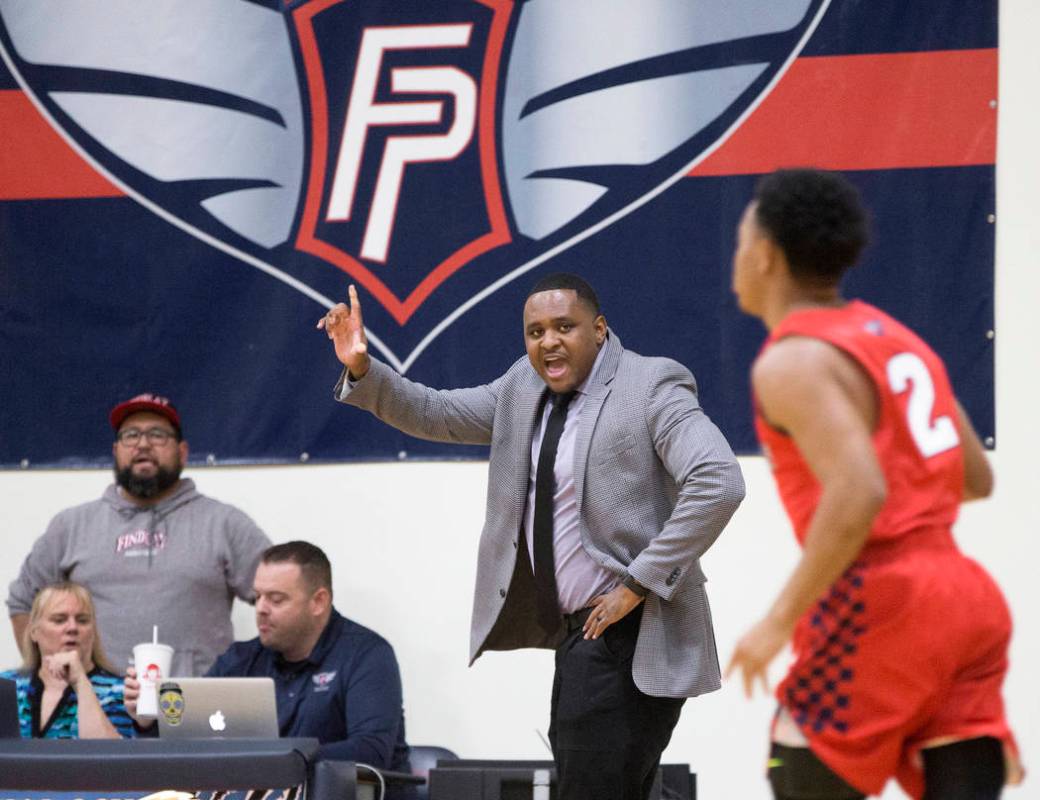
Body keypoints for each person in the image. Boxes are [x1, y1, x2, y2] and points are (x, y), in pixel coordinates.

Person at [318, 273, 745, 800]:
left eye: (565, 326)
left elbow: (719, 481)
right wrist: (361, 366)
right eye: (535, 331)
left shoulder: (650, 385)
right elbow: (437, 413)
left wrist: (639, 583)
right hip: (578, 636)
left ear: (600, 329)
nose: (548, 342)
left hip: (634, 633)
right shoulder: (524, 386)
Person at [725, 168, 1022, 799]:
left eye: (740, 241)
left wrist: (777, 622)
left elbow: (859, 493)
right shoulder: (897, 339)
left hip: (881, 599)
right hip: (965, 598)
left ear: (765, 256)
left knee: (798, 763)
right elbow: (973, 476)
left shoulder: (790, 360)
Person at [7, 393, 272, 676]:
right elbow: (24, 602)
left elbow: (280, 596)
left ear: (182, 451)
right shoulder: (71, 526)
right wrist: (49, 680)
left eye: (157, 435)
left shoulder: (224, 523)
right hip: (94, 706)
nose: (143, 444)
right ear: (115, 451)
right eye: (130, 435)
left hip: (193, 709)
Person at [126, 541, 415, 795]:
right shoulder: (242, 659)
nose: (261, 608)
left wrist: (274, 760)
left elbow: (370, 752)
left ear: (319, 602)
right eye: (257, 597)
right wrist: (150, 721)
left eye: (276, 599)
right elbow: (186, 741)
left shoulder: (366, 655)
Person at [0, 581, 133, 738]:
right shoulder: (7, 687)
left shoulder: (120, 691)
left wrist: (81, 683)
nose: (72, 628)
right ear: (34, 631)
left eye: (82, 620)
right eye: (59, 620)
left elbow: (109, 758)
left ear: (93, 632)